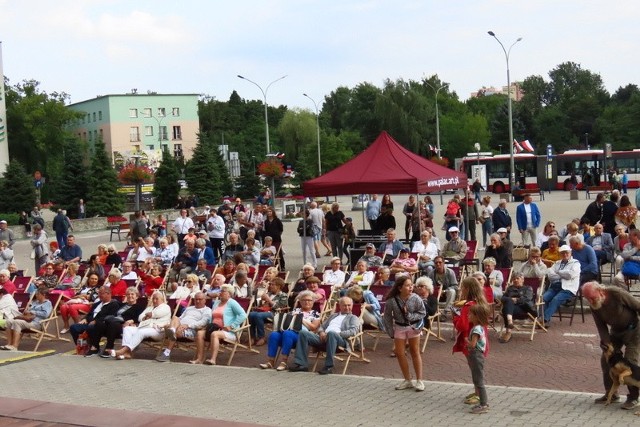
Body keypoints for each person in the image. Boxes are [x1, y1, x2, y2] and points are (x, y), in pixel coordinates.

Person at [582, 281, 640, 409]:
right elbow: (601, 326)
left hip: (633, 330)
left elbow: (637, 306)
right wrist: (606, 343)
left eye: (593, 297)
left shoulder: (617, 294)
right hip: (616, 331)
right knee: (606, 360)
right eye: (588, 299)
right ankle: (611, 394)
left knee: (630, 362)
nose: (591, 301)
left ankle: (633, 398)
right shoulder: (594, 305)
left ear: (601, 291)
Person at [289, 296, 360, 375]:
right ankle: (301, 364)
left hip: (339, 340)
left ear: (352, 305)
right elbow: (321, 327)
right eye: (344, 305)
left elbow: (353, 331)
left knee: (332, 333)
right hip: (323, 338)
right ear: (339, 306)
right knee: (303, 333)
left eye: (349, 305)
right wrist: (321, 332)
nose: (347, 307)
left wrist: (336, 334)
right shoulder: (333, 316)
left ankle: (328, 367)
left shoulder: (353, 318)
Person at [259, 290, 321, 371]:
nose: (307, 302)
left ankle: (284, 362)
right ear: (300, 302)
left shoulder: (315, 313)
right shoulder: (295, 311)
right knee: (274, 334)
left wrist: (300, 319)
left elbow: (313, 327)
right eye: (304, 300)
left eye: (309, 300)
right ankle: (270, 361)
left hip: (301, 336)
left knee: (288, 334)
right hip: (287, 332)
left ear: (313, 302)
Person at [383, 276, 426, 391]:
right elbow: (387, 316)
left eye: (411, 285)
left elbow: (422, 313)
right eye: (407, 285)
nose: (411, 287)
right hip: (399, 327)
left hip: (413, 327)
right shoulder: (392, 300)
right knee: (399, 353)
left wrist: (410, 316)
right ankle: (407, 380)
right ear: (400, 288)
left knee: (415, 351)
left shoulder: (416, 298)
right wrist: (390, 332)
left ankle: (419, 380)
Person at [452, 277, 488, 406]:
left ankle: (479, 396)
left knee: (475, 370)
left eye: (463, 288)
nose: (461, 290)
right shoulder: (478, 302)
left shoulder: (469, 306)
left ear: (467, 289)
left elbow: (462, 325)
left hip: (472, 341)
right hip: (478, 340)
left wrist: (455, 317)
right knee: (474, 369)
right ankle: (477, 392)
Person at [193, 284, 247, 365]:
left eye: (223, 291)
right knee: (200, 333)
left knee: (215, 334)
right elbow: (212, 317)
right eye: (220, 291)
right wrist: (207, 326)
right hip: (214, 329)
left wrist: (232, 325)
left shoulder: (232, 303)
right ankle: (199, 359)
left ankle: (213, 359)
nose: (220, 293)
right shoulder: (216, 302)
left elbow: (243, 315)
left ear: (229, 293)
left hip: (230, 332)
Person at [108, 291, 171, 360]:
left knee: (141, 332)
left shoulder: (166, 307)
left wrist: (148, 315)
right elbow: (140, 317)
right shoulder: (150, 307)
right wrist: (146, 316)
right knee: (127, 329)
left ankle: (122, 351)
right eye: (153, 299)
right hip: (144, 327)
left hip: (158, 331)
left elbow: (157, 313)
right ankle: (127, 354)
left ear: (162, 299)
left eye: (157, 299)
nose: (154, 300)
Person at [155, 292, 212, 362]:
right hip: (179, 326)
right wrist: (178, 325)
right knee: (175, 317)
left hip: (191, 330)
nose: (197, 301)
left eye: (200, 299)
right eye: (196, 299)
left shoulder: (207, 310)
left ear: (205, 300)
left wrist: (188, 325)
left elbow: (203, 322)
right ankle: (172, 330)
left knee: (172, 329)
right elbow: (180, 318)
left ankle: (166, 353)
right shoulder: (189, 308)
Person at [69, 286, 121, 351]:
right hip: (89, 322)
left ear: (108, 294)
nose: (99, 295)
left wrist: (96, 321)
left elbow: (110, 317)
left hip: (101, 325)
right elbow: (89, 314)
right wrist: (85, 319)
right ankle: (82, 346)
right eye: (99, 293)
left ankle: (94, 347)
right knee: (73, 327)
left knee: (92, 327)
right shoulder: (96, 304)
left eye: (101, 293)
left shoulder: (114, 305)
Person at [543, 245, 580, 327]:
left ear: (570, 253)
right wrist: (563, 273)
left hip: (568, 288)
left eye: (567, 253)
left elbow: (570, 275)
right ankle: (544, 319)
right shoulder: (557, 263)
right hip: (555, 286)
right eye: (562, 253)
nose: (565, 254)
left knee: (555, 299)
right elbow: (550, 275)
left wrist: (558, 272)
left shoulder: (576, 263)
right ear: (560, 254)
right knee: (543, 298)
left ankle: (543, 319)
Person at [465, 303, 491, 414]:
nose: (468, 315)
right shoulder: (480, 328)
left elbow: (473, 345)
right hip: (477, 355)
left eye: (470, 314)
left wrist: (466, 341)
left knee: (478, 381)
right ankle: (483, 402)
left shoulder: (476, 329)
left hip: (476, 355)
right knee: (477, 379)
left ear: (477, 316)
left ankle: (483, 404)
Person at [248, 278, 288, 346]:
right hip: (263, 312)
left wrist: (268, 299)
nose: (270, 286)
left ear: (278, 286)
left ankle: (262, 337)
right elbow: (258, 305)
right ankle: (253, 337)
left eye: (273, 285)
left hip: (275, 314)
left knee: (258, 315)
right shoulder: (268, 293)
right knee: (251, 314)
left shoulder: (283, 295)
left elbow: (278, 307)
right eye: (270, 284)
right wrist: (260, 299)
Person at [499, 272, 537, 343]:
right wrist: (510, 300)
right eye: (514, 279)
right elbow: (502, 298)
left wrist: (515, 300)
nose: (515, 280)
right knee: (508, 302)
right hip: (511, 310)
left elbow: (527, 299)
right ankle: (510, 322)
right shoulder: (510, 288)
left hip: (523, 309)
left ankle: (508, 331)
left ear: (522, 280)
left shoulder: (528, 288)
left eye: (517, 278)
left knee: (506, 308)